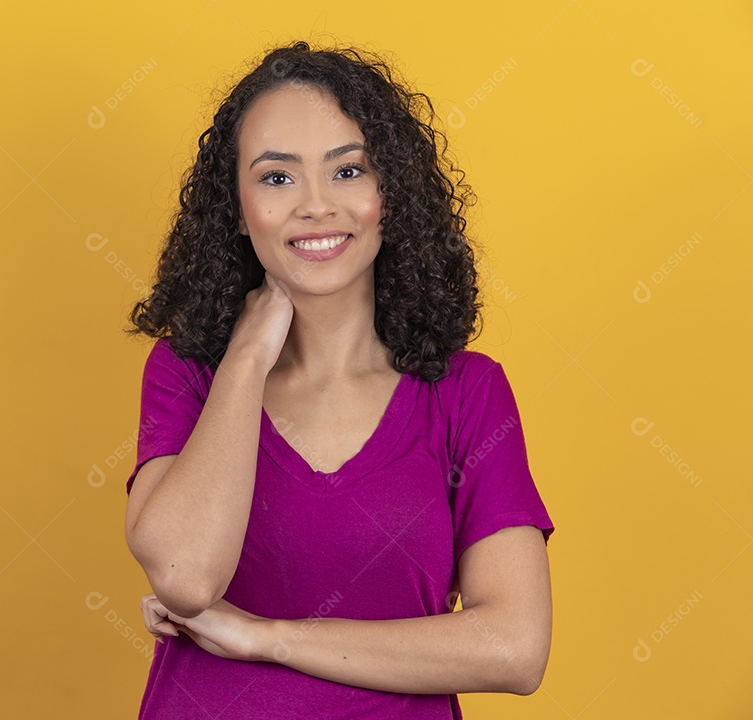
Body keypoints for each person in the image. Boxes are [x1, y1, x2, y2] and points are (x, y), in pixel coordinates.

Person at [121, 39, 555, 719]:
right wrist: (246, 356)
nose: (316, 205)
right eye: (277, 177)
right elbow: (183, 577)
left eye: (348, 171)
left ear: (391, 193)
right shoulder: (190, 374)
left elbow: (515, 648)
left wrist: (269, 638)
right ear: (236, 209)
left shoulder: (467, 394)